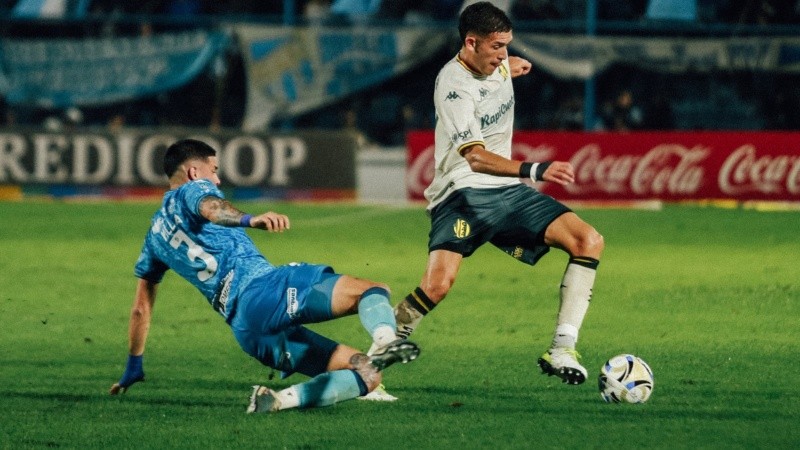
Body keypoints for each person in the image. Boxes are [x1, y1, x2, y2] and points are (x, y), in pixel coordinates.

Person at [373, 2, 604, 392]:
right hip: (461, 193)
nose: (504, 54)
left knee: (588, 240)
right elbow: (476, 158)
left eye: (507, 45)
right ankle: (368, 367)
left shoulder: (496, 64)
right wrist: (536, 170)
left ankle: (562, 349)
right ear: (471, 43)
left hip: (506, 191)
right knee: (437, 286)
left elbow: (497, 71)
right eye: (497, 46)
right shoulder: (454, 87)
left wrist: (508, 66)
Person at [109, 138, 420, 413]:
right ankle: (386, 340)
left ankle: (279, 400)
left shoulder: (154, 239)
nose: (217, 179)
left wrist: (133, 365)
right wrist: (250, 219)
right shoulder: (193, 189)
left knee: (368, 374)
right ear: (193, 172)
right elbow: (213, 208)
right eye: (213, 170)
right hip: (263, 290)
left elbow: (140, 308)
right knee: (372, 290)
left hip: (248, 331)